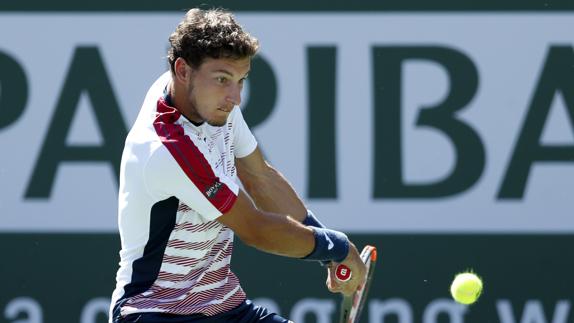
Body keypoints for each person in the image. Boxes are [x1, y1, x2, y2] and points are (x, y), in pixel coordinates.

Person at [109, 8, 366, 323]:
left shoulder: (210, 101)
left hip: (225, 307)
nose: (235, 97)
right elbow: (256, 229)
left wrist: (324, 247)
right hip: (153, 312)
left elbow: (260, 177)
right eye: (222, 79)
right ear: (183, 70)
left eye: (240, 80)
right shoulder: (169, 149)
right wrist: (336, 246)